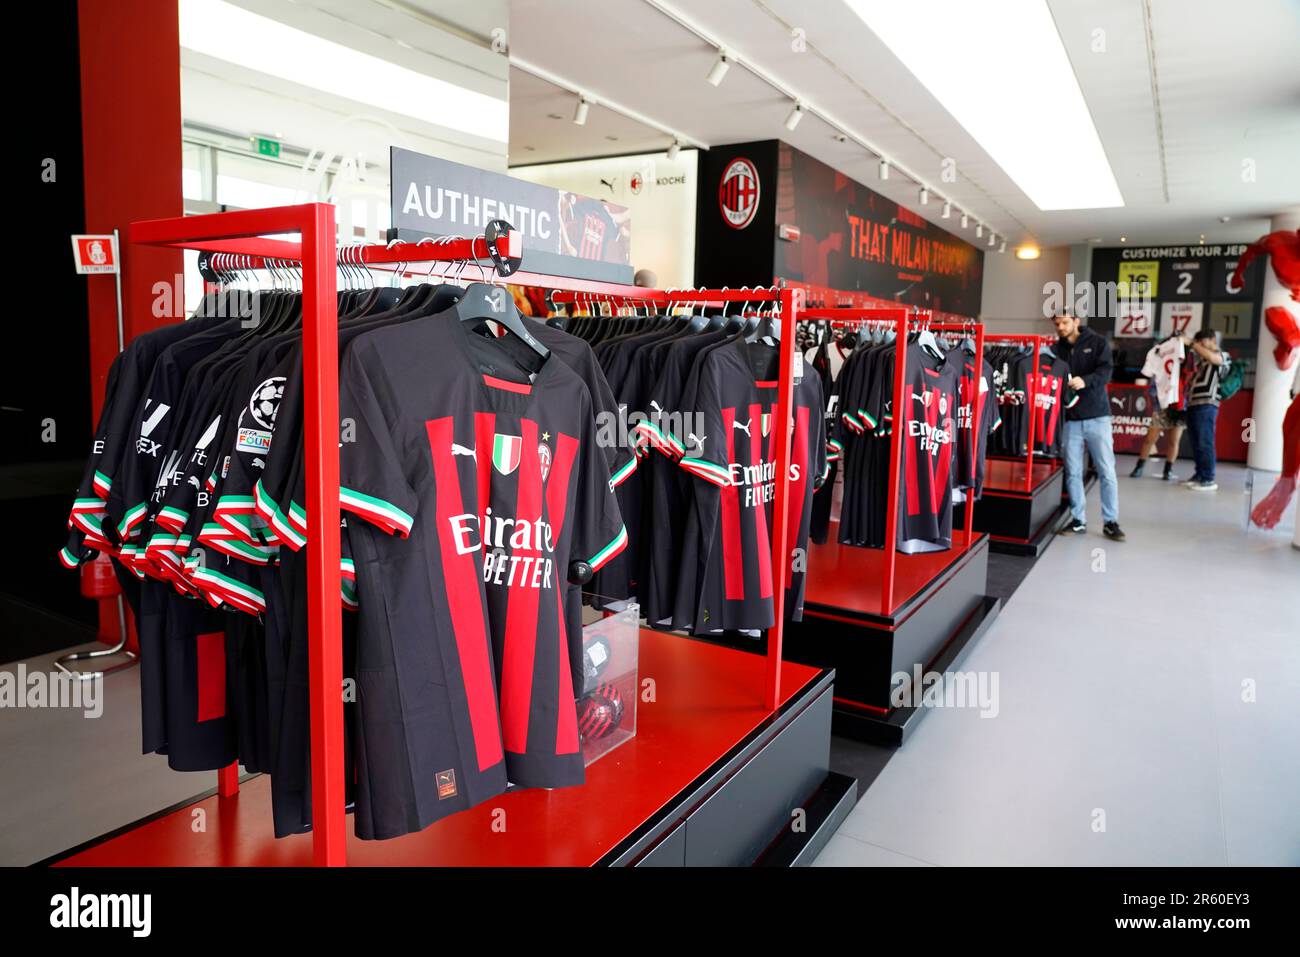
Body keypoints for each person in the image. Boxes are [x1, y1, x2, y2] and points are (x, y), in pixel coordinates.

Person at [1052, 313, 1125, 540]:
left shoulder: (1097, 343)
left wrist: (1086, 380)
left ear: (1076, 320)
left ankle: (1111, 522)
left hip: (1097, 417)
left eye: (1064, 322)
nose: (1061, 327)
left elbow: (1106, 372)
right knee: (1073, 473)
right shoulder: (1056, 350)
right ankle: (1078, 520)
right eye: (1057, 324)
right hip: (1071, 420)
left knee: (1106, 471)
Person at [1182, 329, 1230, 491]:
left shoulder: (1223, 355)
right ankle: (1200, 474)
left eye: (1202, 341)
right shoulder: (1201, 360)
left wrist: (1192, 344)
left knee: (1205, 442)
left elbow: (1213, 358)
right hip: (1194, 404)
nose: (1200, 345)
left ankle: (1208, 478)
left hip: (1208, 404)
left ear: (1212, 340)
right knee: (1196, 443)